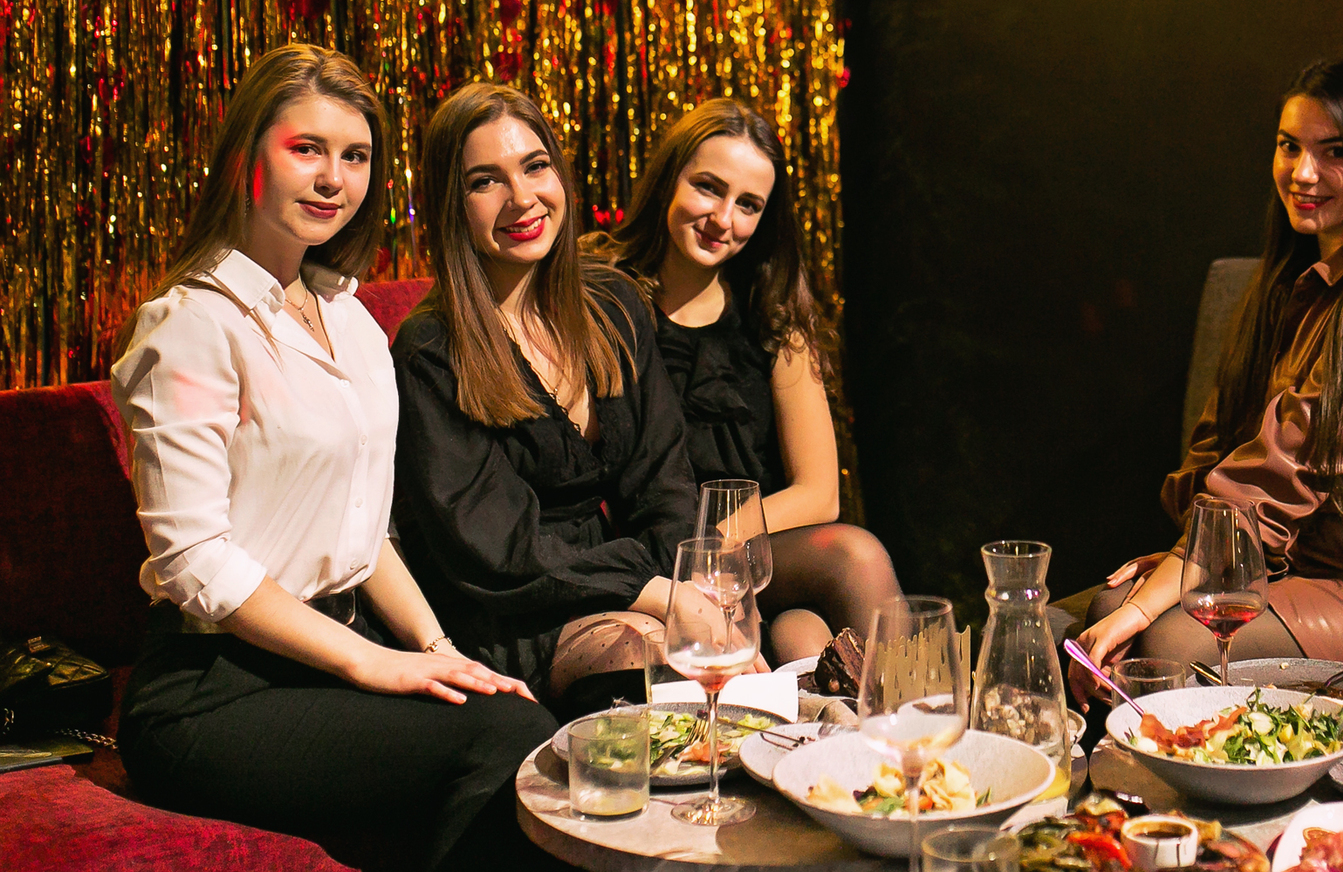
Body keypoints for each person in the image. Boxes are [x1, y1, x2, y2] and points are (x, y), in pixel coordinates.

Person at [111, 45, 558, 870]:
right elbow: (193, 560)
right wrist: (374, 663)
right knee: (509, 737)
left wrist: (433, 649)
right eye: (306, 149)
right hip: (210, 687)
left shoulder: (348, 319)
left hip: (329, 654)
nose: (333, 180)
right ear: (246, 156)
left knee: (517, 708)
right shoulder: (190, 324)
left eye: (354, 157)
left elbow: (363, 528)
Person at [1072, 60, 1343, 703]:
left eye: (1335, 152)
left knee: (1164, 645)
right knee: (1099, 612)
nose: (1303, 173)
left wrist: (1173, 584)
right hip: (1274, 568)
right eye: (1289, 146)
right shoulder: (1282, 286)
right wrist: (1187, 562)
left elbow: (1274, 479)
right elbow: (1215, 453)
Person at [392, 83, 706, 718]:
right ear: (453, 205)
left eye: (535, 166)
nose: (522, 198)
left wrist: (684, 583)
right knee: (651, 653)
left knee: (846, 558)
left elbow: (665, 480)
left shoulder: (613, 302)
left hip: (633, 573)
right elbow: (497, 550)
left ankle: (883, 758)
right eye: (486, 181)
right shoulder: (431, 348)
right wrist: (653, 594)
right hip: (516, 604)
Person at [585, 98, 901, 664]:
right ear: (669, 179)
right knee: (806, 626)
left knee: (832, 590)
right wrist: (687, 562)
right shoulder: (602, 292)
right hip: (645, 556)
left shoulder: (770, 312)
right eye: (708, 188)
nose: (723, 219)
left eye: (748, 205)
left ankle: (918, 714)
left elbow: (819, 492)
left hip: (750, 554)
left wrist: (716, 547)